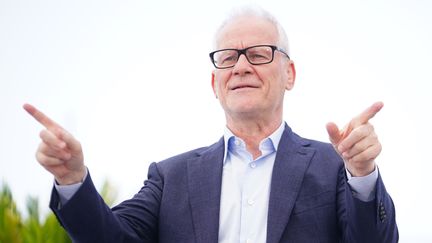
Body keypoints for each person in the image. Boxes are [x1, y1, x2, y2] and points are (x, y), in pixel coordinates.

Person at [24, 6, 398, 243]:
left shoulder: (335, 168)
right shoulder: (170, 177)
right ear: (214, 83)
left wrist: (362, 176)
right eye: (227, 57)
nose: (240, 66)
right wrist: (73, 180)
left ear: (290, 73)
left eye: (257, 53)